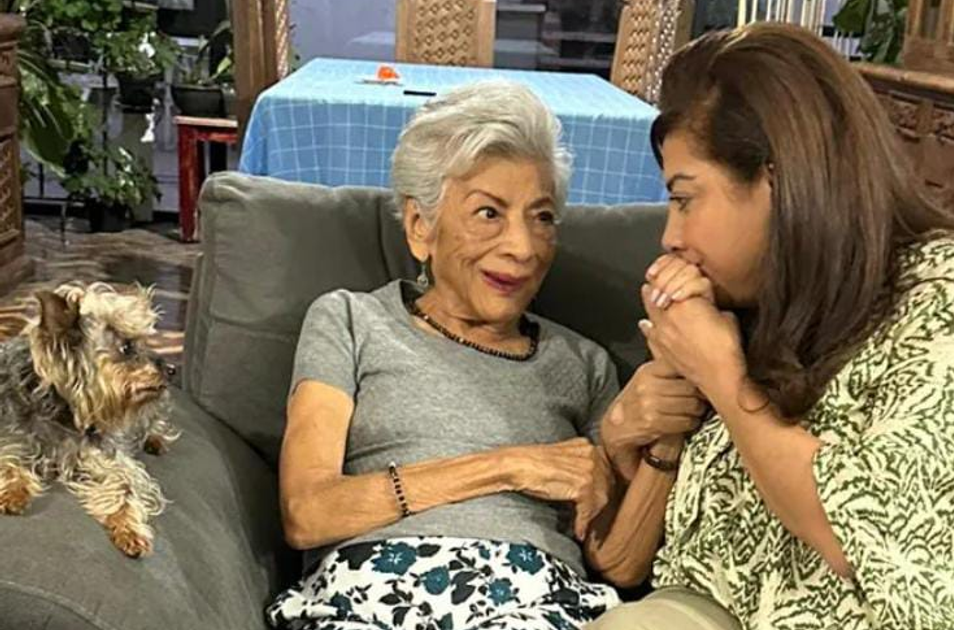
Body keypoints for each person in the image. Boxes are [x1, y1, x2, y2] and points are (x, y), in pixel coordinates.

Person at [590, 23, 954, 630]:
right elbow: (626, 565)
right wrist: (632, 434)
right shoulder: (748, 305)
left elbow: (868, 534)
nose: (672, 236)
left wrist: (723, 379)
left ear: (777, 180)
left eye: (685, 198)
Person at [267, 80, 710, 630]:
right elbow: (307, 513)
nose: (523, 248)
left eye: (542, 217)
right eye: (489, 213)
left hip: (536, 605)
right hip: (372, 598)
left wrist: (656, 439)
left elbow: (617, 562)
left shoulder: (583, 362)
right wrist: (510, 465)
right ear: (420, 227)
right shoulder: (351, 321)